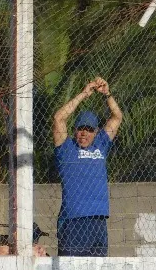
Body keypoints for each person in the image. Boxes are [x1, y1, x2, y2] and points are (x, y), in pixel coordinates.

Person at [52, 76, 122, 257]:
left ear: (96, 132)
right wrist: (84, 93)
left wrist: (107, 94)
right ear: (75, 130)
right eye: (81, 128)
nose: (84, 133)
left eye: (89, 129)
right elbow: (59, 118)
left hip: (98, 221)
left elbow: (117, 117)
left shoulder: (101, 145)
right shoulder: (66, 148)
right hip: (74, 221)